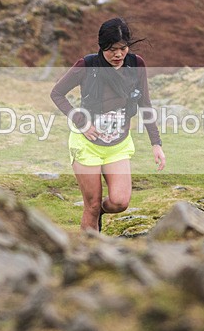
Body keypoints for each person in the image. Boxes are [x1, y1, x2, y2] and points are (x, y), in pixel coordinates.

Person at [51, 17, 166, 232]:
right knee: (92, 205)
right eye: (112, 49)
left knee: (120, 202)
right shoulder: (87, 65)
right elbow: (57, 93)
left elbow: (145, 104)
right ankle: (89, 254)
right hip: (87, 144)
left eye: (123, 48)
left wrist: (156, 143)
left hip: (118, 145)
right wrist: (81, 122)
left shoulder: (136, 64)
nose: (118, 54)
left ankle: (99, 212)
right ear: (102, 47)